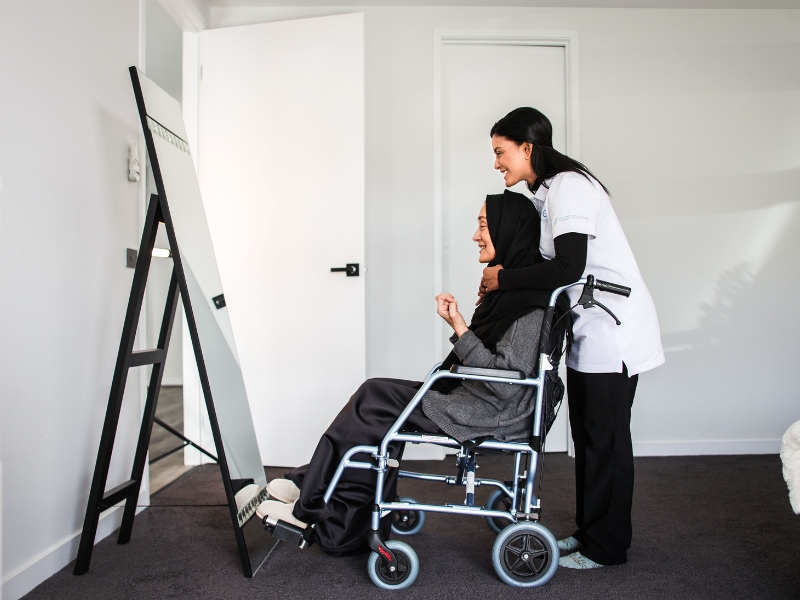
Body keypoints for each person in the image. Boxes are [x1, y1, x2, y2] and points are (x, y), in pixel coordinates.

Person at [256, 192, 555, 555]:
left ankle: (310, 499)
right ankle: (315, 494)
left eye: (482, 226)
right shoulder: (514, 295)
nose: (475, 236)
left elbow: (506, 385)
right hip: (473, 400)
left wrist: (460, 328)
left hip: (489, 413)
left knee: (373, 399)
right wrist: (461, 326)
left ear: (509, 231)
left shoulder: (529, 307)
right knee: (376, 399)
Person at [480, 107, 664, 569]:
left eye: (501, 153)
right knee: (588, 436)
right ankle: (590, 534)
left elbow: (569, 266)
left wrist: (502, 280)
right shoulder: (547, 193)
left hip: (614, 328)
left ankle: (607, 547)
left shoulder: (570, 187)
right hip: (588, 326)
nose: (497, 163)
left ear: (527, 148)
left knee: (606, 439)